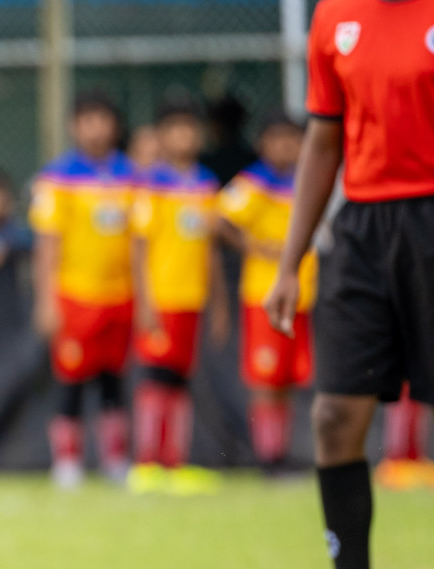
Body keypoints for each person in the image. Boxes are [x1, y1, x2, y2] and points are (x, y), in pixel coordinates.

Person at [266, 0, 434, 569]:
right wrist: (291, 259)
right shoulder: (335, 16)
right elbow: (322, 147)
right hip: (361, 233)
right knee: (335, 417)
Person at [29, 92, 137, 488]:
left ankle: (115, 460)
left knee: (113, 379)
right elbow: (47, 244)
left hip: (121, 296)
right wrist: (45, 300)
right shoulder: (58, 178)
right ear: (74, 126)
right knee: (71, 379)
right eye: (87, 119)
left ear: (115, 126)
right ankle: (68, 462)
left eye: (103, 119)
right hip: (74, 296)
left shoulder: (132, 176)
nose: (96, 128)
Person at [128, 98, 228, 494]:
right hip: (162, 300)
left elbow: (211, 249)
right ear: (161, 135)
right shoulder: (151, 185)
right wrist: (146, 302)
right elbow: (138, 247)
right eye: (175, 128)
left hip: (192, 300)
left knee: (180, 381)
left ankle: (175, 462)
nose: (184, 136)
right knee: (155, 379)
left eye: (191, 127)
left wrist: (219, 303)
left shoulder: (206, 184)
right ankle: (147, 461)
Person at [217, 112, 313, 473]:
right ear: (262, 144)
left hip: (302, 297)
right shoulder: (256, 182)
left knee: (286, 379)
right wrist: (254, 247)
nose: (287, 146)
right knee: (265, 377)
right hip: (265, 295)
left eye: (293, 139)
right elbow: (221, 219)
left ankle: (281, 453)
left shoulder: (307, 181)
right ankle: (267, 456)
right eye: (278, 138)